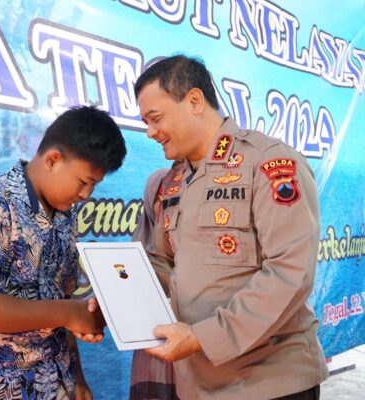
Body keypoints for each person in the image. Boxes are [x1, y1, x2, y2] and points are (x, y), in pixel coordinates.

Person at [132, 55, 329, 400]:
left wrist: (203, 338)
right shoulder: (173, 182)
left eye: (155, 118)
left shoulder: (268, 163)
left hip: (269, 383)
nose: (150, 132)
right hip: (197, 383)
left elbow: (289, 272)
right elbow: (162, 264)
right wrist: (115, 297)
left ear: (194, 101)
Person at [0, 105, 127, 400]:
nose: (86, 194)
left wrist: (77, 378)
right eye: (84, 182)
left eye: (94, 185)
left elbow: (64, 302)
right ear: (52, 160)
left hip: (50, 380)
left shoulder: (65, 219)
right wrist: (68, 313)